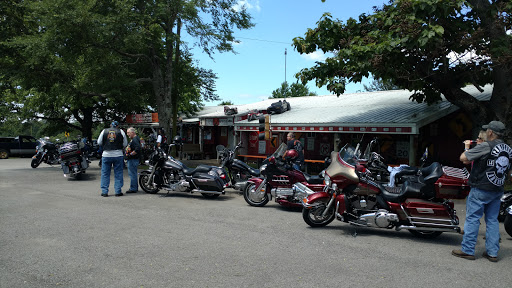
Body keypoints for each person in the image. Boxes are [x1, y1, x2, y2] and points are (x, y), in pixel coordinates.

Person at [452, 121, 512, 262]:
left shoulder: (486, 146)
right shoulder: (508, 149)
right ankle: (492, 253)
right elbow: (509, 172)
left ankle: (467, 250)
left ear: (490, 132)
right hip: (497, 189)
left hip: (480, 187)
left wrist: (467, 148)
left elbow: (463, 158)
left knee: (473, 218)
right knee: (492, 220)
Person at [97, 121, 128, 197]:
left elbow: (99, 142)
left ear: (110, 125)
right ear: (117, 126)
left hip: (106, 154)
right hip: (118, 154)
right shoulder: (121, 132)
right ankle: (118, 191)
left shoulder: (104, 131)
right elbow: (125, 144)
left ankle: (104, 191)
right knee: (118, 173)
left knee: (105, 174)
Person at [125, 127, 141, 193]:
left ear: (132, 132)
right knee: (133, 173)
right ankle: (134, 187)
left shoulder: (135, 139)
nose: (127, 134)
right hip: (132, 159)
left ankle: (133, 188)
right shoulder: (135, 139)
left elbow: (137, 148)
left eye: (128, 133)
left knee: (132, 174)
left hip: (133, 159)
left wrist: (130, 154)